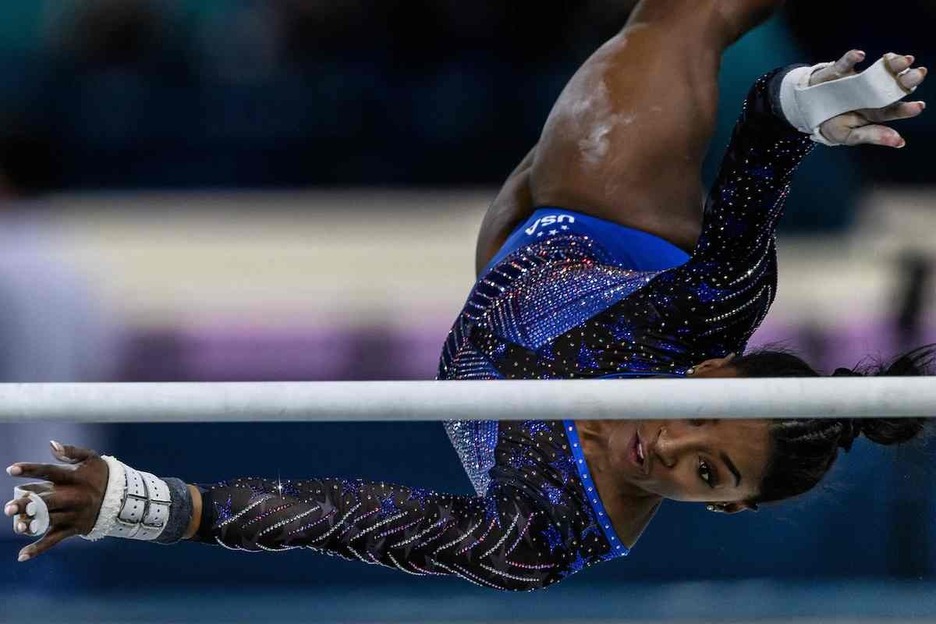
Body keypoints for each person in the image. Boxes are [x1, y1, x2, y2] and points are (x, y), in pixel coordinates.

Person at [4, 0, 933, 590]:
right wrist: (811, 103)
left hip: (500, 262)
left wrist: (142, 501)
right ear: (715, 366)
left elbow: (349, 519)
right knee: (687, 15)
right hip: (607, 204)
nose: (673, 445)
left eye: (705, 474)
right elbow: (759, 157)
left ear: (725, 509)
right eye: (702, 417)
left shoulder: (546, 536)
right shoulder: (709, 310)